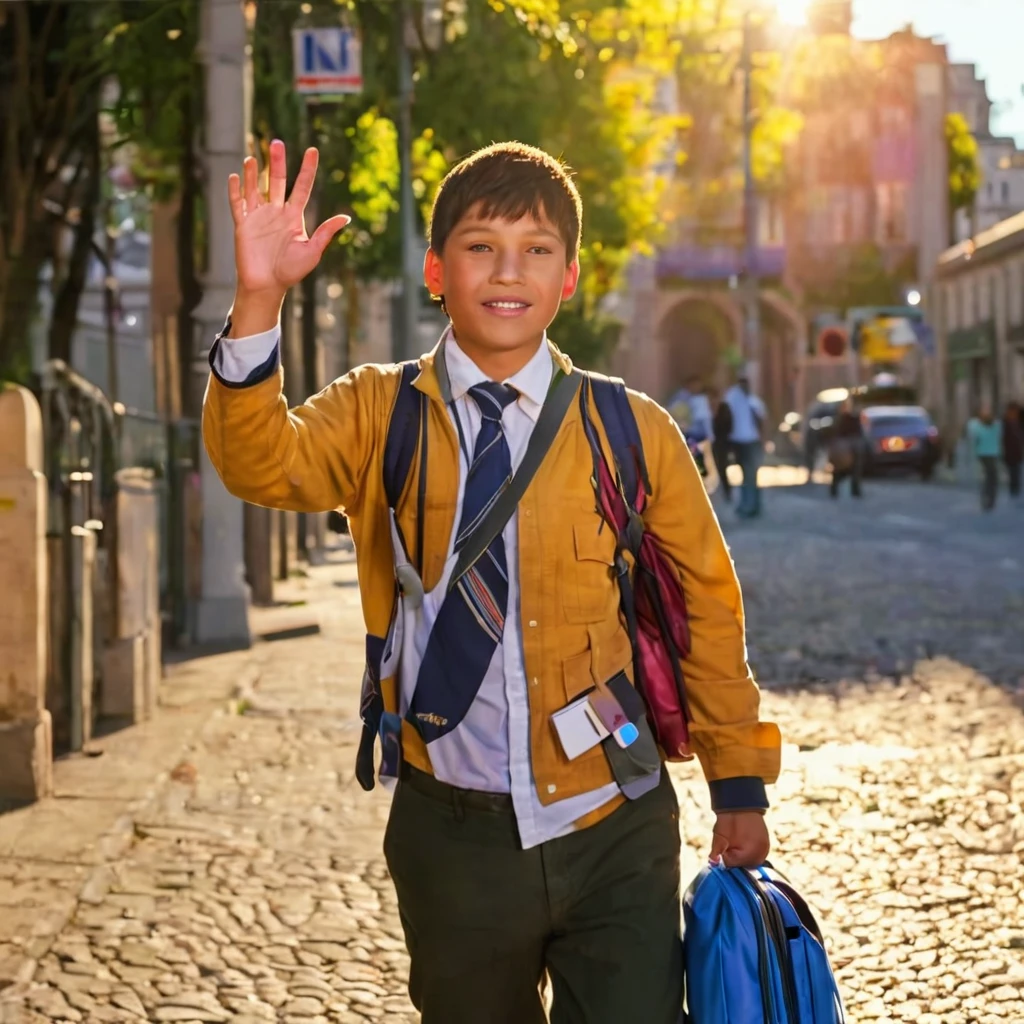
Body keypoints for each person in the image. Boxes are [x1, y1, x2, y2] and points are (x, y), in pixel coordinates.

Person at [202, 139, 780, 1024]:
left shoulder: (632, 429)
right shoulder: (377, 409)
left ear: (570, 277)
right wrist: (259, 298)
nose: (508, 271)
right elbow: (260, 463)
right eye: (480, 246)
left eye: (536, 250)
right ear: (438, 268)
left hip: (612, 821)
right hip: (452, 831)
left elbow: (705, 608)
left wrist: (737, 783)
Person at [723, 375, 767, 518]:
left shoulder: (752, 400)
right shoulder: (734, 397)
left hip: (751, 441)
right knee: (748, 474)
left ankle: (751, 505)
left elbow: (761, 420)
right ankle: (748, 505)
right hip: (740, 441)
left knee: (750, 474)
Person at [967, 403, 1003, 511]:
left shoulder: (996, 425)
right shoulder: (976, 425)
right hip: (984, 454)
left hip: (992, 454)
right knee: (989, 477)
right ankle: (987, 499)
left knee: (991, 478)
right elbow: (972, 434)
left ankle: (989, 499)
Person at [828, 398, 865, 499]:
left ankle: (854, 490)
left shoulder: (853, 418)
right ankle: (841, 489)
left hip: (850, 445)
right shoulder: (841, 418)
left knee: (853, 468)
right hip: (844, 446)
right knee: (843, 468)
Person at [709, 387, 734, 502]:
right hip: (708, 443)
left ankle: (727, 492)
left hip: (721, 442)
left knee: (722, 467)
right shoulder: (705, 409)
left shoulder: (724, 408)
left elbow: (729, 425)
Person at [1002, 400, 1023, 498]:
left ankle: (1016, 492)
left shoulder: (1018, 423)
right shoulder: (1006, 423)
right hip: (1010, 453)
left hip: (1017, 452)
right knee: (1013, 473)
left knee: (1016, 473)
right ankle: (1013, 492)